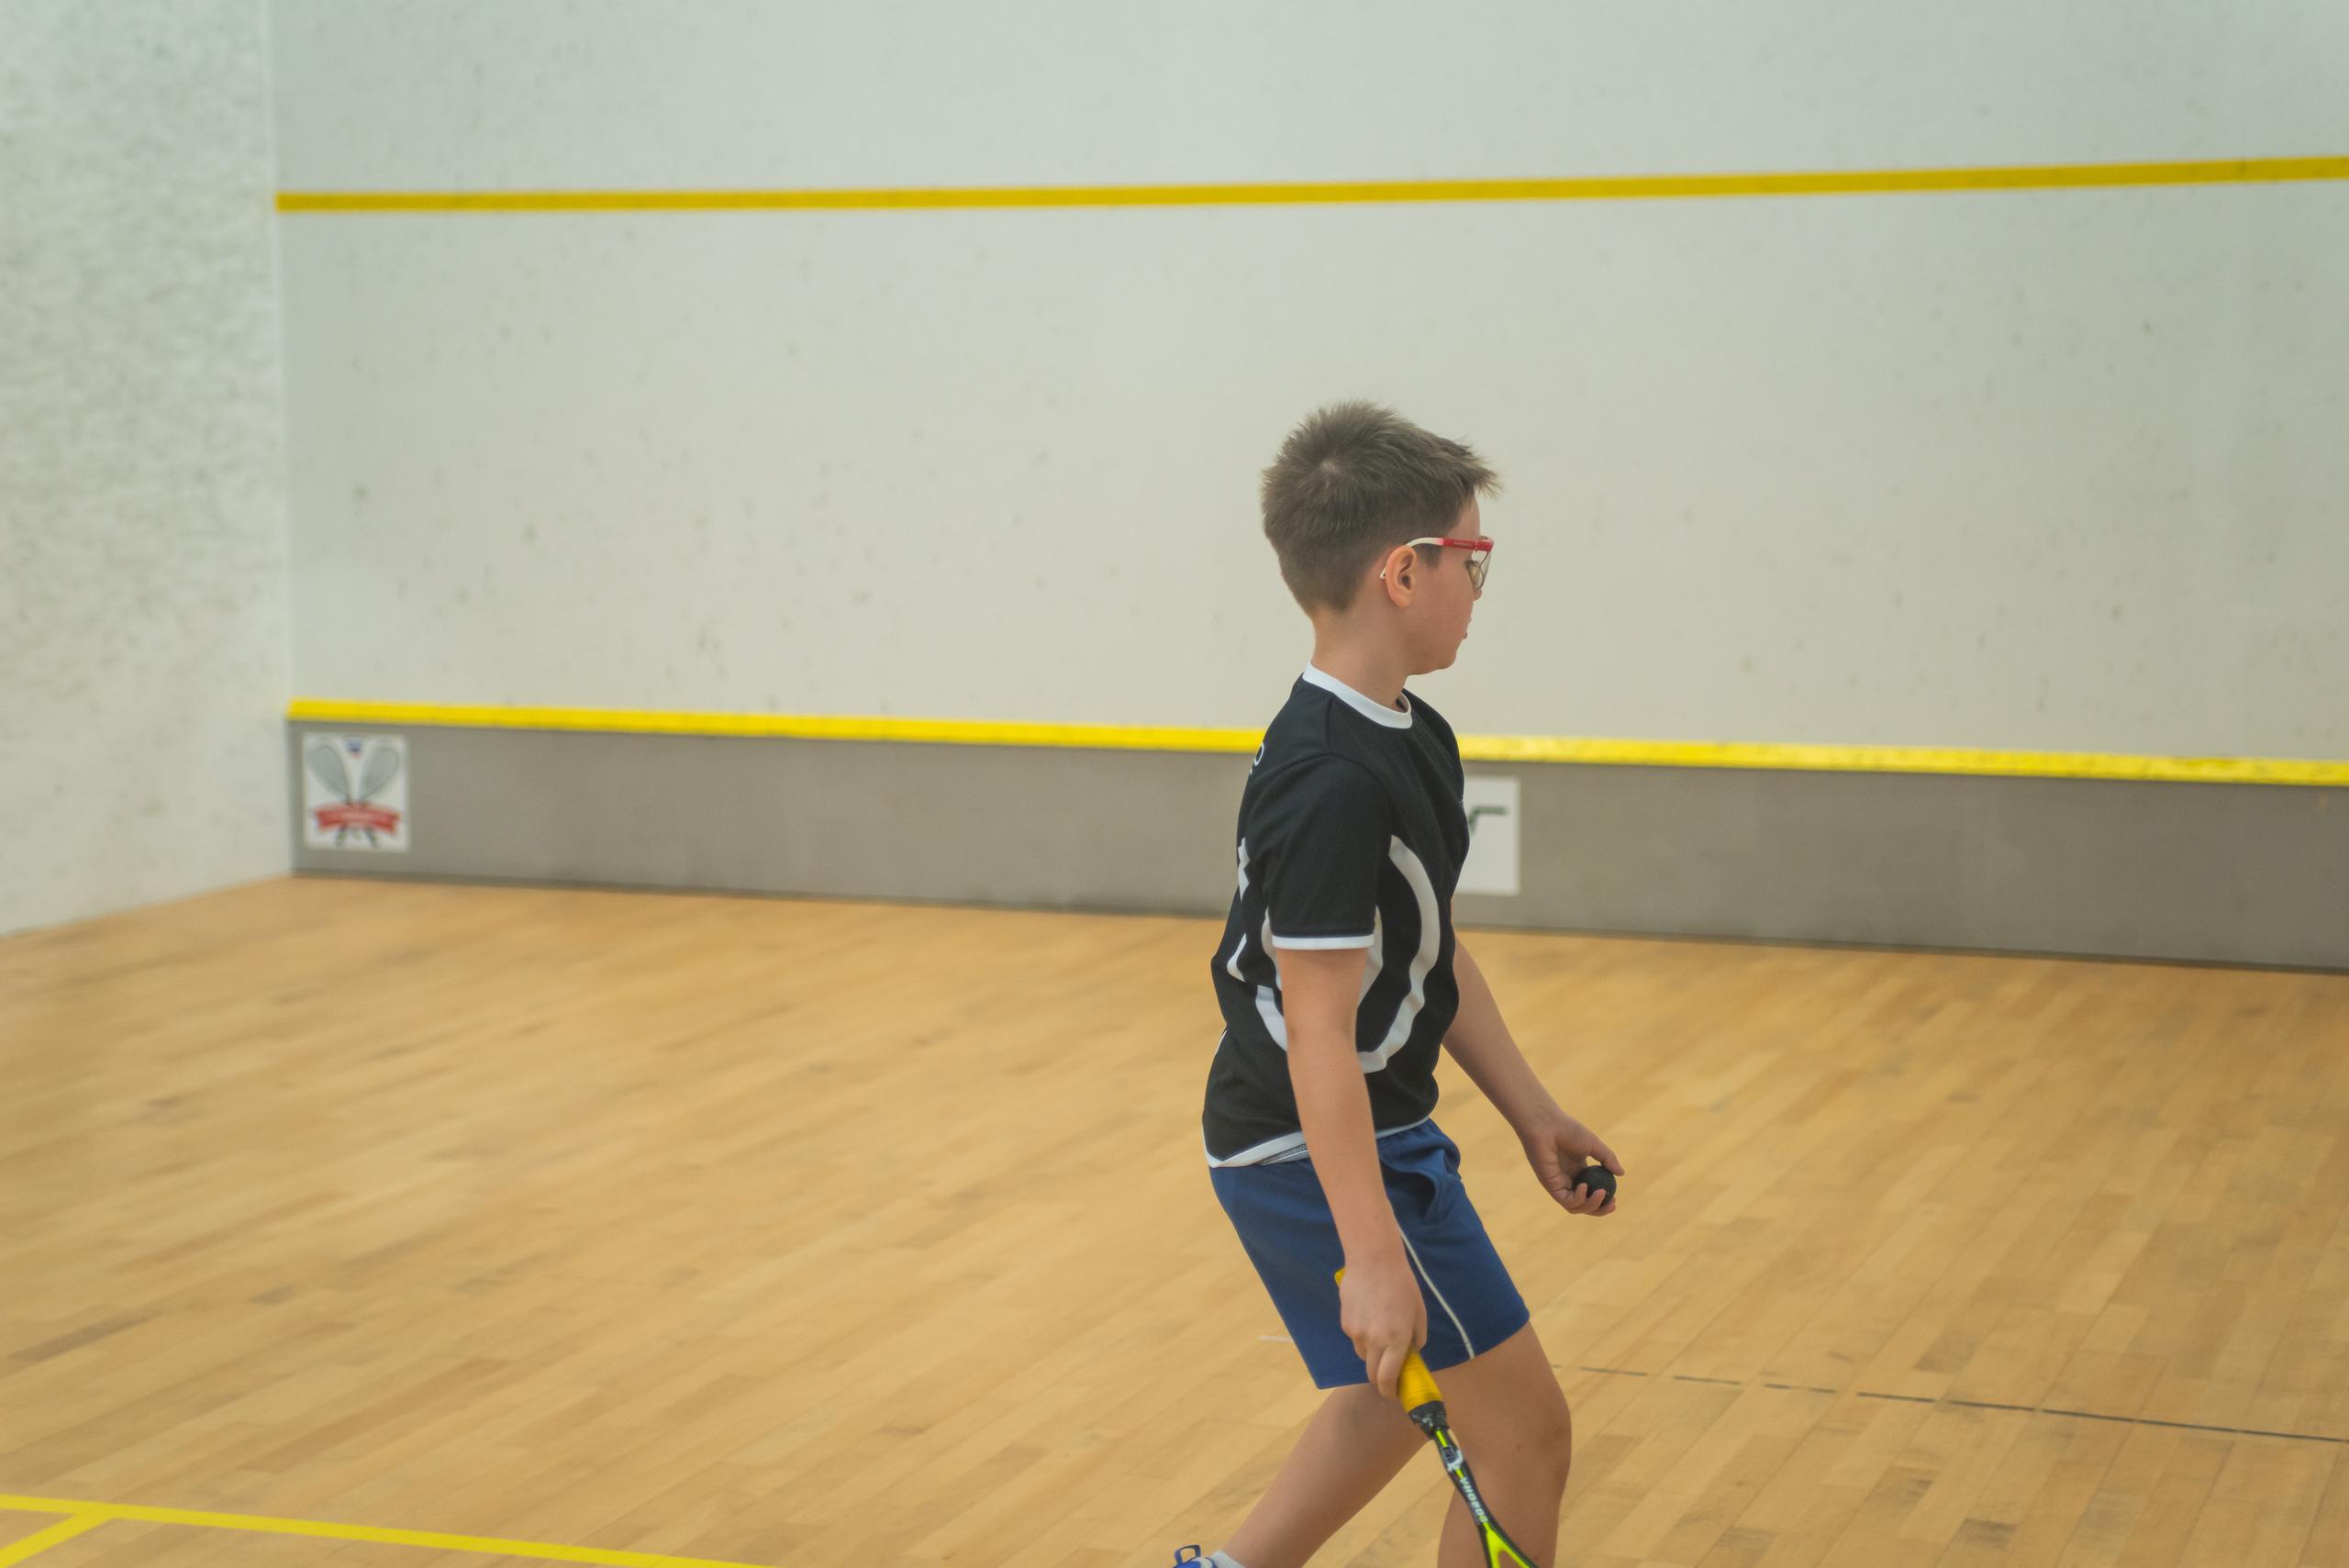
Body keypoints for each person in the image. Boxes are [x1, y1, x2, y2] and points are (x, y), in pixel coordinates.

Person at [1181, 402, 1623, 1568]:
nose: (1479, 585)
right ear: (1403, 570)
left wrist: (1532, 1111)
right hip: (1310, 1144)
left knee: (1387, 1397)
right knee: (1523, 1436)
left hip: (1355, 1129)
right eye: (1473, 558)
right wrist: (1372, 1253)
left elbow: (1428, 949)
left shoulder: (1409, 733)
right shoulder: (1331, 778)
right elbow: (1318, 1030)